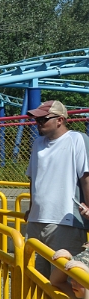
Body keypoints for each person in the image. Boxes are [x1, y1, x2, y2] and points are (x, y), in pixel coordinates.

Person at [25, 100, 89, 277]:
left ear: (60, 120)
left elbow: (86, 178)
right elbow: (33, 179)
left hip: (65, 221)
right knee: (34, 277)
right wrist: (31, 209)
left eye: (43, 119)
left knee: (63, 279)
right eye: (37, 120)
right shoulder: (37, 143)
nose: (38, 123)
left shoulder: (77, 139)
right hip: (36, 220)